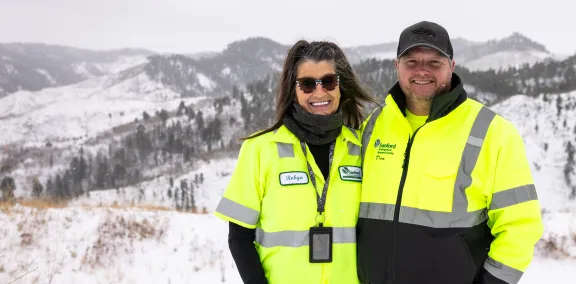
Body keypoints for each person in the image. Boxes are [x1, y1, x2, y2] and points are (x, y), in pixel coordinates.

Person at [355, 21, 544, 284]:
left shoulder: (492, 132)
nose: (422, 70)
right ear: (397, 65)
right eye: (411, 62)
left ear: (451, 66)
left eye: (434, 62)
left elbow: (520, 226)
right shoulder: (373, 126)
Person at [213, 39, 376, 284]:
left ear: (340, 86)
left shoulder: (360, 149)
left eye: (328, 81)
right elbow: (239, 238)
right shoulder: (260, 150)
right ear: (293, 89)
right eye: (307, 84)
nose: (319, 92)